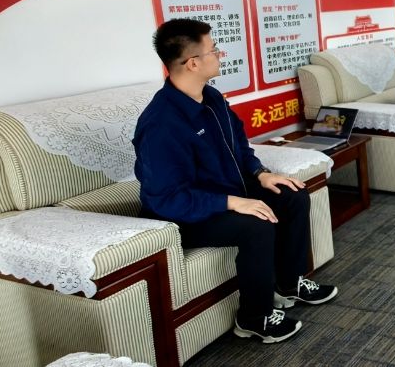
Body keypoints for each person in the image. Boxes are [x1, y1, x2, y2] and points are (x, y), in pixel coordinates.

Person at [133, 18, 337, 345]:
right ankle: (253, 318)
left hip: (225, 192)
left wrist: (260, 173)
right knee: (256, 225)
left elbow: (239, 144)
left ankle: (289, 283)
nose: (220, 54)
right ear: (193, 62)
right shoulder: (161, 123)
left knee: (291, 194)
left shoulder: (211, 98)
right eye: (214, 49)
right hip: (183, 215)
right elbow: (167, 197)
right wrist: (233, 202)